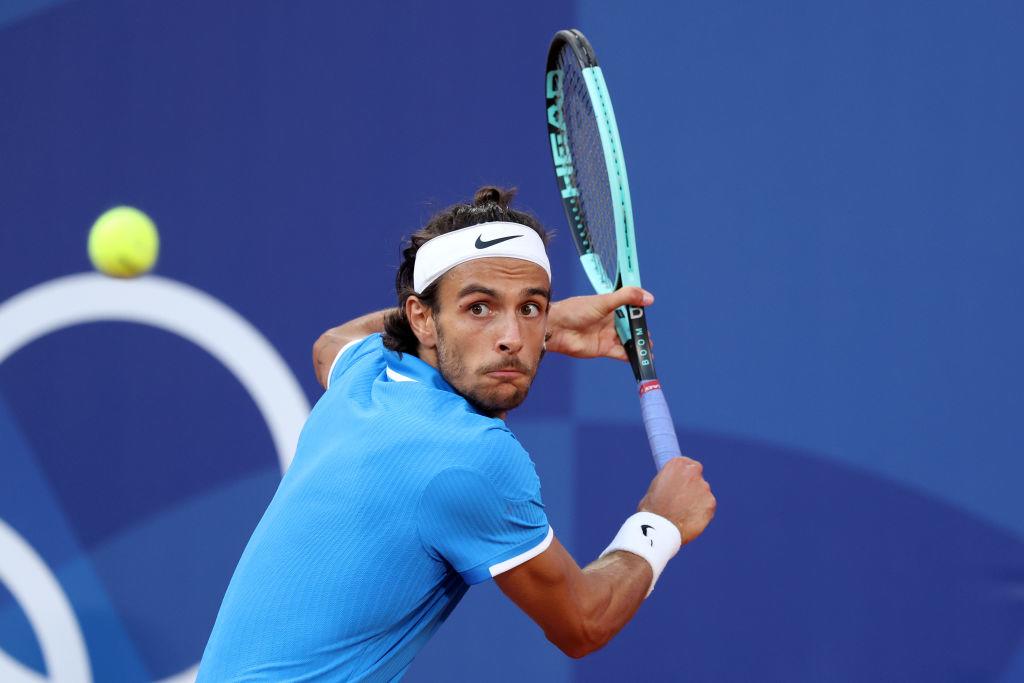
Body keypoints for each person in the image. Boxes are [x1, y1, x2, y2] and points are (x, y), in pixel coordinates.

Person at [197, 187, 716, 681]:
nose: (512, 338)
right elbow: (582, 623)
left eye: (529, 307)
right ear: (421, 319)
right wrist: (660, 521)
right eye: (479, 308)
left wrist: (548, 324)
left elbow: (331, 341)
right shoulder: (472, 456)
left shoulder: (366, 376)